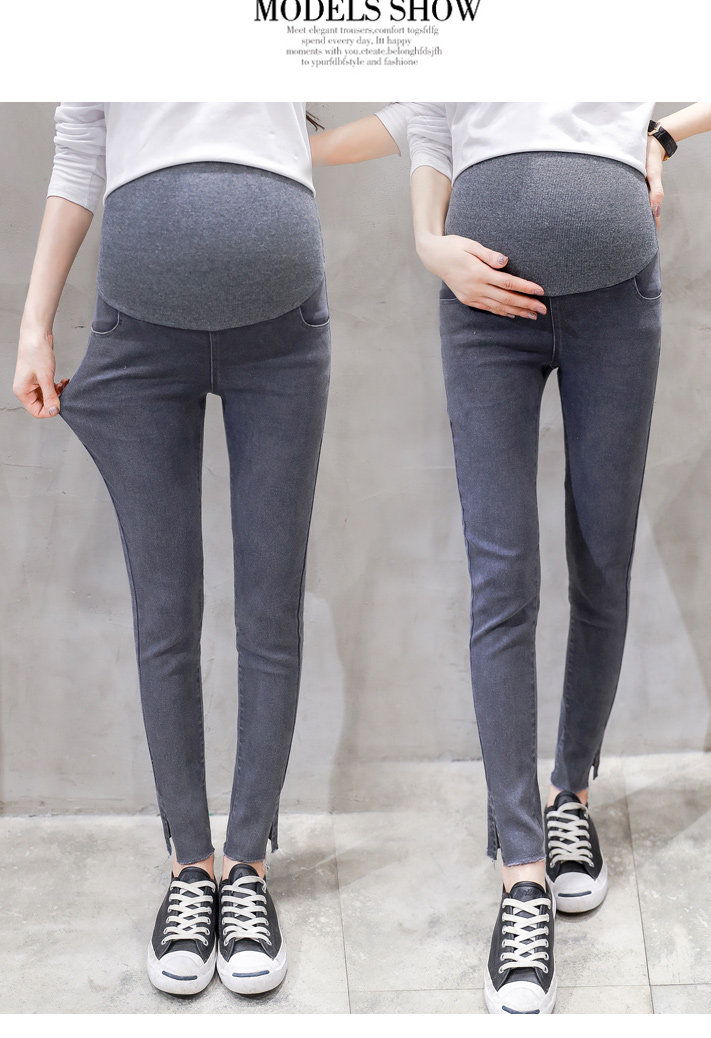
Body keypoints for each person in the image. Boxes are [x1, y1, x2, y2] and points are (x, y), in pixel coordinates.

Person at [311, 101, 711, 1014]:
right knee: (501, 581)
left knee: (603, 562)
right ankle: (520, 872)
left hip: (617, 302)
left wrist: (663, 135)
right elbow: (428, 122)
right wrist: (429, 242)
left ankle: (570, 797)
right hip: (483, 309)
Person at [14, 102, 332, 997]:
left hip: (283, 332)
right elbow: (80, 152)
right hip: (140, 331)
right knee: (164, 610)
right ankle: (191, 866)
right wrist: (35, 325)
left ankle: (248, 865)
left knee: (270, 607)